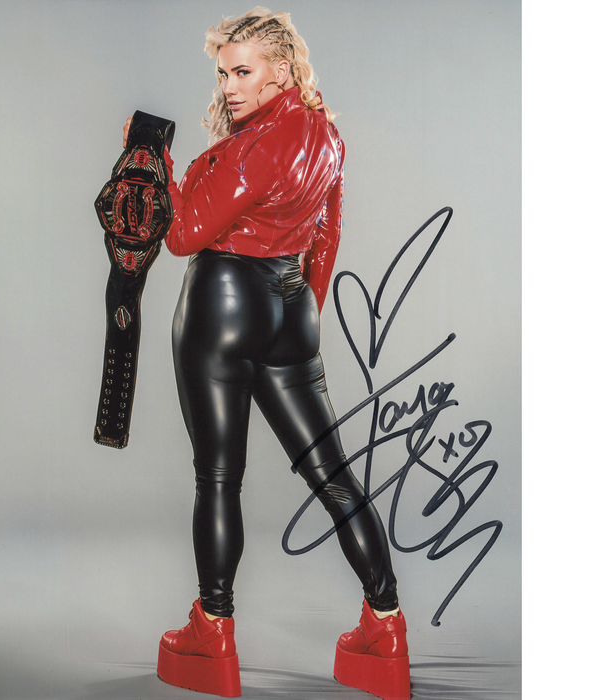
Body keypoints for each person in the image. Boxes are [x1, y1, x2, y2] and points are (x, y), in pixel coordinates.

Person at [122, 7, 410, 699]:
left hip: (223, 303)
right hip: (291, 304)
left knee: (219, 478)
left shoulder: (252, 149)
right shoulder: (327, 136)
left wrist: (157, 163)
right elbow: (327, 236)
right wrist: (298, 317)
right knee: (334, 476)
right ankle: (385, 624)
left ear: (282, 70)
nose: (228, 87)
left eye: (242, 72)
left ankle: (212, 631)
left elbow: (183, 236)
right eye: (223, 74)